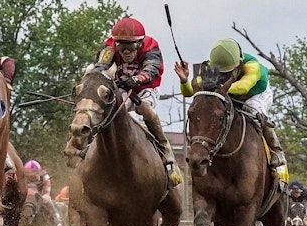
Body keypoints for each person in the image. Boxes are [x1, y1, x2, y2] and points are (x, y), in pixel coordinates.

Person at [175, 38, 287, 182]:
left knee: (253, 109)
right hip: (227, 93)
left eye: (227, 72)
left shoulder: (252, 66)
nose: (223, 75)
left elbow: (244, 87)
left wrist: (219, 91)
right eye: (221, 72)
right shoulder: (210, 68)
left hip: (255, 94)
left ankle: (276, 150)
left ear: (239, 63)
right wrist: (184, 81)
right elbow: (190, 92)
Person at [92, 17, 181, 187]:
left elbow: (152, 69)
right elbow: (99, 68)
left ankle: (164, 147)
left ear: (140, 44)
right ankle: (85, 147)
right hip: (121, 88)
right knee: (108, 110)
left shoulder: (151, 47)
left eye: (131, 47)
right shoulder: (109, 47)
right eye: (121, 46)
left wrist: (136, 79)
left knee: (144, 109)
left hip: (146, 89)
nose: (126, 52)